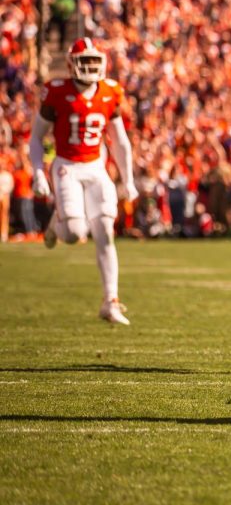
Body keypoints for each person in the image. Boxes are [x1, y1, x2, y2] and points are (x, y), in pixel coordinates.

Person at [29, 38, 138, 324]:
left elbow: (119, 140)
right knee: (74, 233)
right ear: (70, 64)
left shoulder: (110, 91)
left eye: (94, 61)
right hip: (67, 165)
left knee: (104, 229)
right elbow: (36, 138)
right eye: (84, 62)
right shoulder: (56, 92)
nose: (90, 68)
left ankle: (111, 300)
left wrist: (128, 179)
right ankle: (57, 223)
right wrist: (38, 171)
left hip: (95, 165)